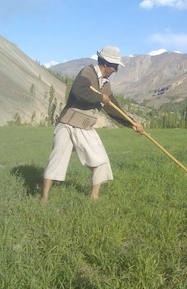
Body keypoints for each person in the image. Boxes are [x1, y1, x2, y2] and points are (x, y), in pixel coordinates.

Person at [41, 45, 143, 203]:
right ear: (106, 64)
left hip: (85, 126)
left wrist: (132, 124)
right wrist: (101, 98)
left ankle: (94, 197)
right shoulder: (87, 72)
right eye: (115, 66)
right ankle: (44, 199)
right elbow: (78, 91)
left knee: (101, 160)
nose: (116, 69)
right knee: (57, 160)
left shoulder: (106, 85)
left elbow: (114, 110)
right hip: (69, 123)